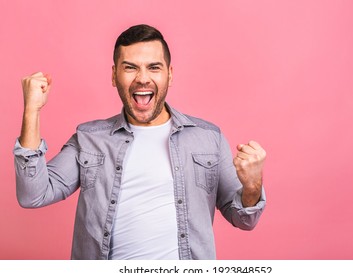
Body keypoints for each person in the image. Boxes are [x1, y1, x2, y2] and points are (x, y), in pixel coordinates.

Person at [14, 24, 266, 260]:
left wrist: (253, 185)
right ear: (114, 75)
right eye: (130, 67)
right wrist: (32, 111)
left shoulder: (208, 137)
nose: (143, 78)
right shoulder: (90, 138)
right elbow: (33, 195)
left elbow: (244, 220)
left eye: (154, 67)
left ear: (169, 74)